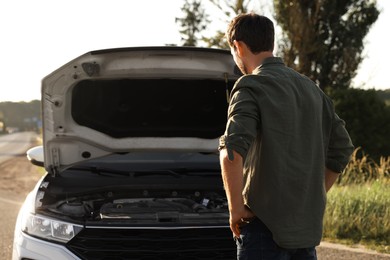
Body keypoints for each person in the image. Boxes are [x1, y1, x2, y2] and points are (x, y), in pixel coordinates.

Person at [219, 13, 354, 260]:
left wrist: (236, 208)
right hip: (304, 233)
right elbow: (342, 149)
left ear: (237, 46)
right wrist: (313, 195)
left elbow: (231, 151)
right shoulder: (312, 89)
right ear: (271, 43)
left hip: (262, 230)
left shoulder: (251, 85)